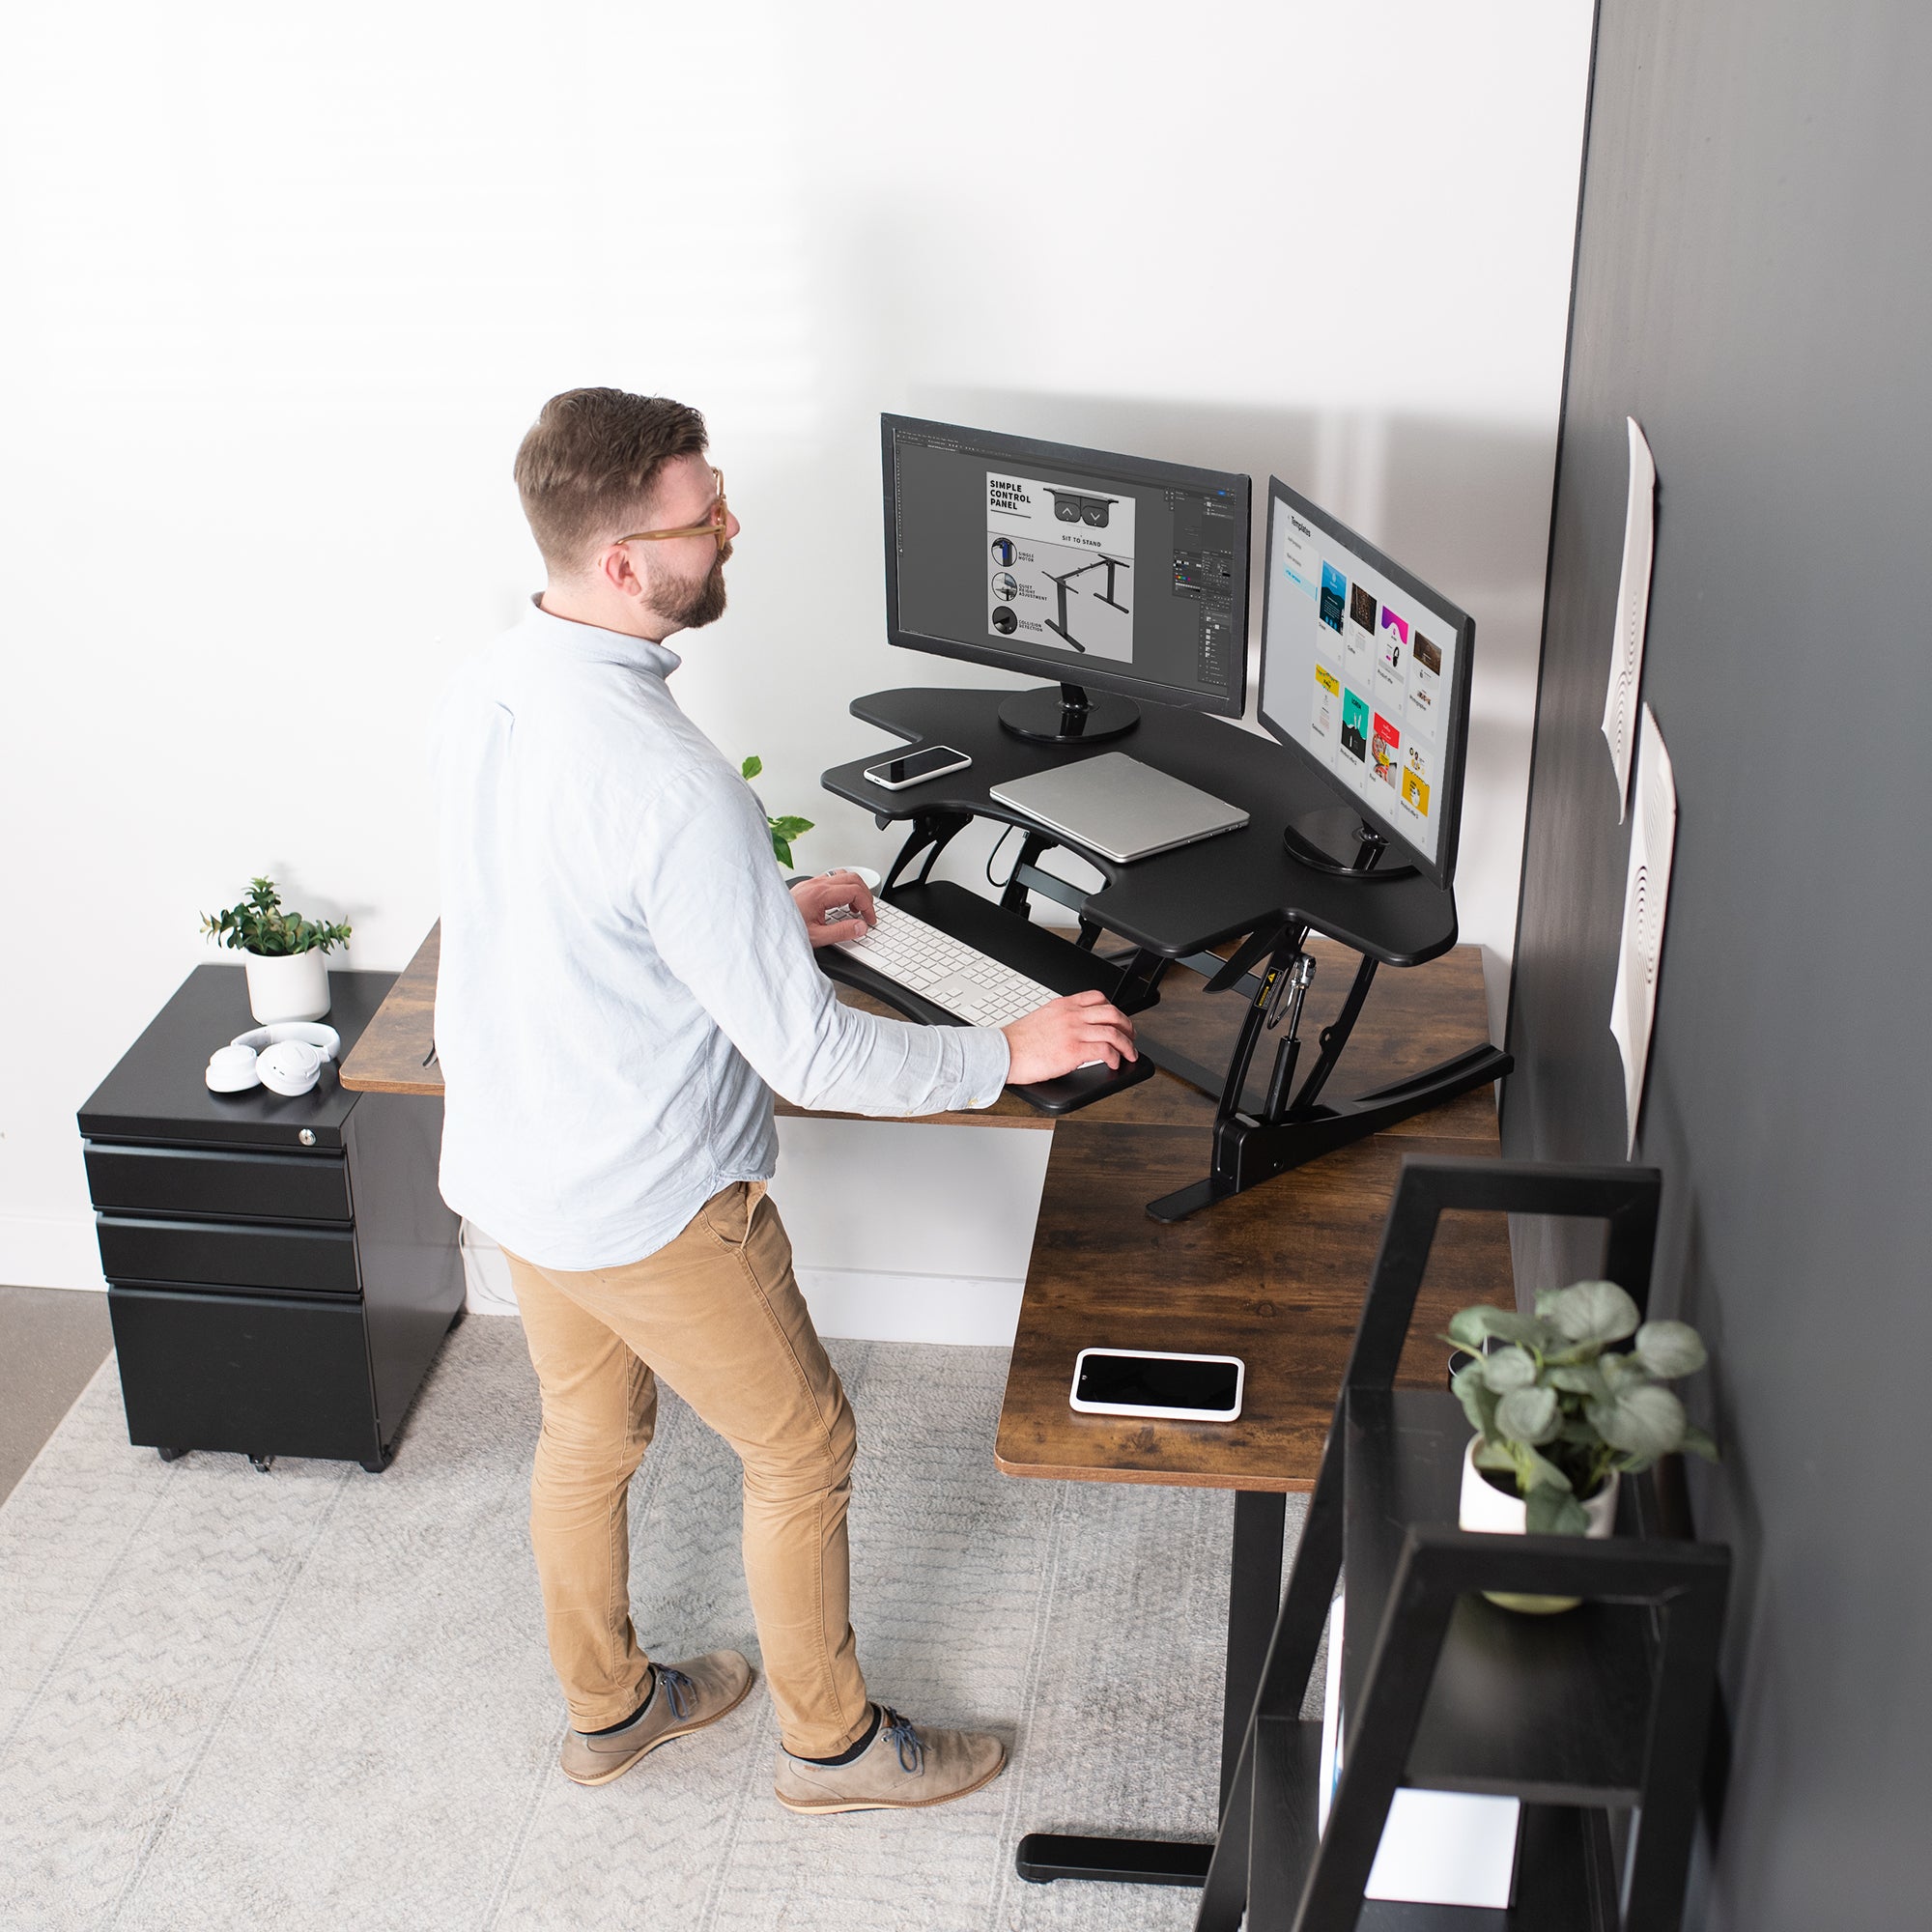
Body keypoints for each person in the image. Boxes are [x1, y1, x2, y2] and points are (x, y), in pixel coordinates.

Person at [431, 387, 1137, 1810]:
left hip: (515, 1158)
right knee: (804, 1446)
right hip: (649, 1199)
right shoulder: (671, 781)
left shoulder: (500, 681)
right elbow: (817, 1061)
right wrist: (1015, 1049)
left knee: (589, 1434)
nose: (729, 532)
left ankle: (611, 1710)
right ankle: (835, 1745)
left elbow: (567, 901)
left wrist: (750, 914)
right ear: (628, 561)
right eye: (708, 519)